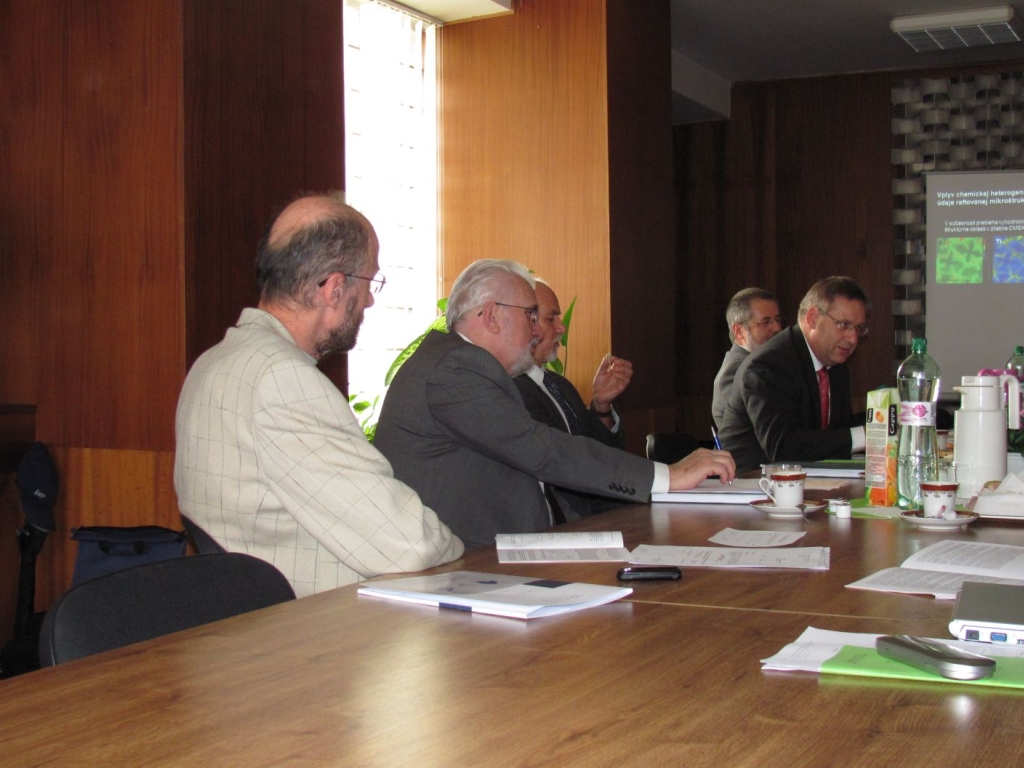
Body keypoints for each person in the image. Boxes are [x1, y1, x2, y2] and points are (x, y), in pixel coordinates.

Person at [174, 194, 464, 598]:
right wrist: (458, 548)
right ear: (334, 287)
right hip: (320, 625)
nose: (370, 299)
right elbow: (410, 545)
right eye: (369, 282)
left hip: (253, 618)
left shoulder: (214, 361)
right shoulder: (282, 379)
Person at [373, 259, 735, 547]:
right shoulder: (454, 368)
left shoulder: (463, 364)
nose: (537, 330)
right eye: (530, 315)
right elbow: (542, 450)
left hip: (510, 548)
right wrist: (669, 475)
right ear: (492, 316)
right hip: (469, 561)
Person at [717, 276, 869, 474]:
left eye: (858, 328)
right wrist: (866, 436)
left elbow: (838, 432)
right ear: (812, 318)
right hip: (750, 484)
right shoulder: (769, 364)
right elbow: (783, 447)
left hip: (810, 480)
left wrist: (881, 421)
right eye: (843, 325)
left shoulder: (834, 363)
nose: (853, 338)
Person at [513, 279, 632, 518]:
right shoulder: (510, 389)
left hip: (602, 508)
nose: (562, 328)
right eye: (551, 318)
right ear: (527, 323)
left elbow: (603, 454)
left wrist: (601, 406)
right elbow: (561, 463)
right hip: (566, 520)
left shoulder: (560, 385)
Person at [711, 288, 782, 430]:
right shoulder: (735, 371)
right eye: (765, 322)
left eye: (777, 320)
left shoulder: (766, 363)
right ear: (739, 331)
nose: (777, 328)